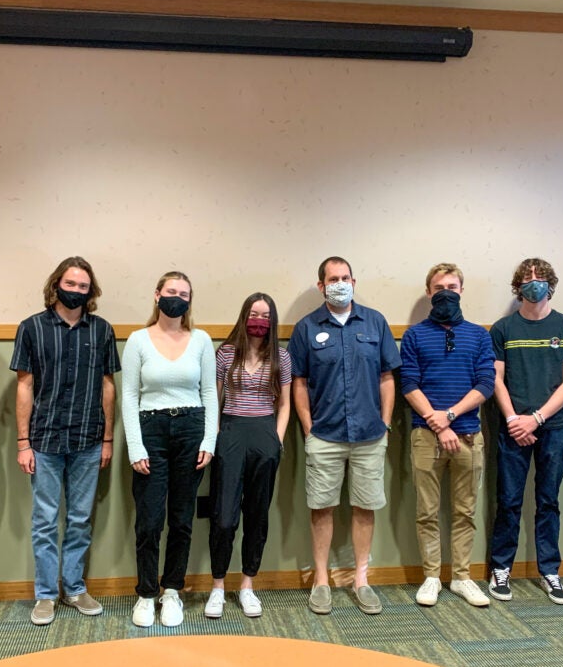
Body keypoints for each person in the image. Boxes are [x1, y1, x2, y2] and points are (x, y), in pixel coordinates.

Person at [288, 256, 400, 616]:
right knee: (322, 508)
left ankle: (361, 579)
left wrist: (385, 423)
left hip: (370, 435)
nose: (340, 284)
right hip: (325, 434)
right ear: (321, 286)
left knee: (365, 507)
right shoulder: (306, 328)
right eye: (333, 279)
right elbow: (299, 382)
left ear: (354, 282)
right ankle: (321, 580)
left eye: (346, 278)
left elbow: (387, 377)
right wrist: (309, 428)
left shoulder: (375, 322)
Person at [11, 257, 120, 626]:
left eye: (83, 286)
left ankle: (74, 588)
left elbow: (108, 385)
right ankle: (45, 594)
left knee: (79, 519)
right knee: (44, 520)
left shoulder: (102, 331)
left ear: (91, 291)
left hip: (88, 439)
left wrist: (107, 438)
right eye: (70, 284)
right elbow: (24, 385)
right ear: (56, 284)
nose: (76, 291)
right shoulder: (31, 328)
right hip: (44, 440)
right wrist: (23, 442)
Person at [488, 258, 563, 605]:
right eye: (528, 278)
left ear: (551, 284)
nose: (535, 283)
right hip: (512, 428)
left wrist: (537, 419)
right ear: (518, 287)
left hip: (554, 429)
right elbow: (496, 379)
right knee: (509, 501)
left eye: (541, 277)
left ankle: (549, 571)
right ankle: (501, 568)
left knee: (548, 501)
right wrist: (515, 420)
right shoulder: (503, 329)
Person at [122, 271, 217, 628]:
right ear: (157, 294)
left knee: (181, 519)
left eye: (184, 293)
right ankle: (147, 594)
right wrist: (135, 446)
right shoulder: (138, 340)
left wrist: (208, 440)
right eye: (171, 291)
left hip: (191, 429)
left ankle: (172, 590)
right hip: (151, 430)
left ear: (190, 301)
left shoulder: (201, 340)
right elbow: (129, 395)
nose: (177, 297)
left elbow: (209, 393)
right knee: (149, 521)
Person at [400, 264, 495, 608]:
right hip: (426, 436)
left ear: (461, 290)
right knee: (426, 511)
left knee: (465, 511)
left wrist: (450, 416)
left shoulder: (479, 336)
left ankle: (462, 577)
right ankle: (431, 576)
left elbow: (486, 383)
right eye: (439, 287)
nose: (445, 293)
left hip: (469, 436)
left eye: (452, 287)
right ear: (429, 292)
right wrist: (438, 424)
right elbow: (409, 383)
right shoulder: (414, 336)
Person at [205, 293, 292, 619]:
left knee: (257, 515)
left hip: (264, 433)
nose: (259, 320)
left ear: (272, 321)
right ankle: (217, 586)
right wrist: (215, 435)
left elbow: (285, 403)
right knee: (224, 517)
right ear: (244, 316)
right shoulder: (226, 353)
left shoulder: (282, 356)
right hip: (230, 433)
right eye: (254, 314)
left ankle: (247, 585)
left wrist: (277, 439)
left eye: (266, 315)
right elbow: (213, 398)